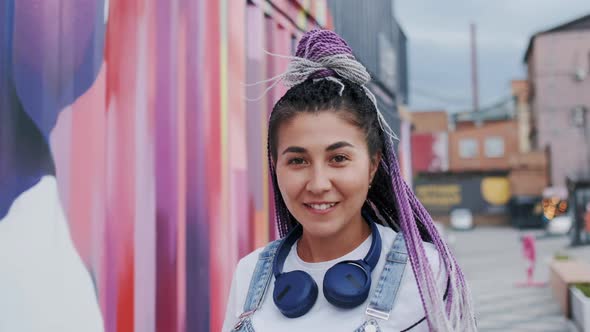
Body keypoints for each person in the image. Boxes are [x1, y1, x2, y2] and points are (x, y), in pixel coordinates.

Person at [223, 29, 476, 332]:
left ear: (372, 166)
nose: (318, 184)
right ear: (275, 168)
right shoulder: (250, 274)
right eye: (297, 161)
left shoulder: (423, 272)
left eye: (338, 159)